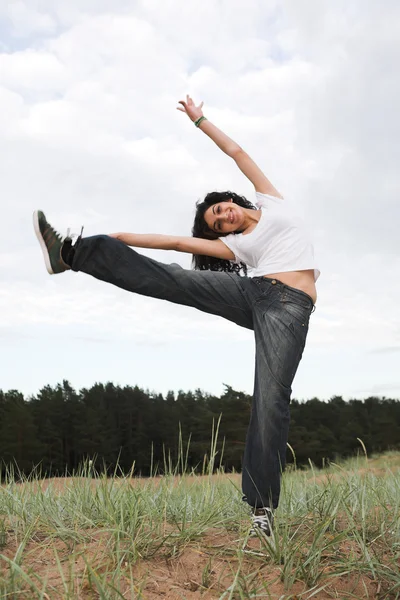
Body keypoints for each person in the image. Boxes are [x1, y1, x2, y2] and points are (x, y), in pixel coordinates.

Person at [33, 95, 319, 538]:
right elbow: (175, 245)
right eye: (218, 223)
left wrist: (201, 120)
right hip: (252, 292)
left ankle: (261, 507)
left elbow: (238, 153)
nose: (224, 217)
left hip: (288, 308)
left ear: (232, 200)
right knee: (172, 278)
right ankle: (70, 254)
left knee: (271, 399)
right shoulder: (236, 247)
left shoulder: (275, 203)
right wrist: (111, 239)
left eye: (222, 210)